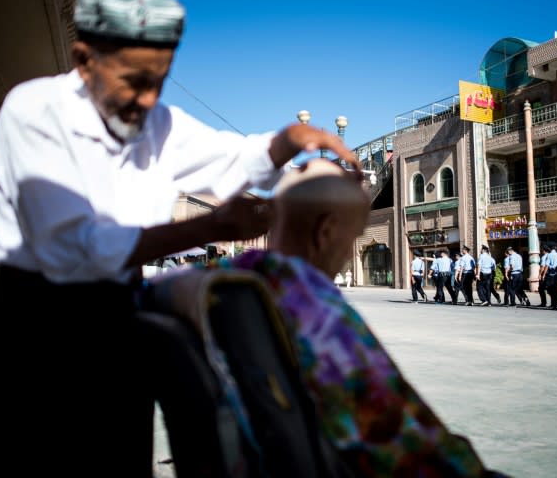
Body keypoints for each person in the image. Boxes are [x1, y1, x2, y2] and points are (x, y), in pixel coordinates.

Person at [0, 0, 359, 478]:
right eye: (134, 81)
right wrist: (216, 224)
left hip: (118, 323)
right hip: (37, 328)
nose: (148, 98)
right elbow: (71, 248)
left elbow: (233, 157)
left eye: (160, 80)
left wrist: (291, 140)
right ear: (84, 57)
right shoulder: (34, 112)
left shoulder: (158, 123)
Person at [209, 159, 508, 477]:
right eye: (352, 238)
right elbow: (398, 438)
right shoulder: (317, 313)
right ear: (325, 232)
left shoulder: (213, 281)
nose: (350, 252)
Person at [544, 244, 557, 309]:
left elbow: (546, 265)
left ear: (550, 249)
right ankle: (555, 304)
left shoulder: (549, 255)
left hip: (551, 275)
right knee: (555, 289)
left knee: (549, 289)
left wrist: (544, 274)